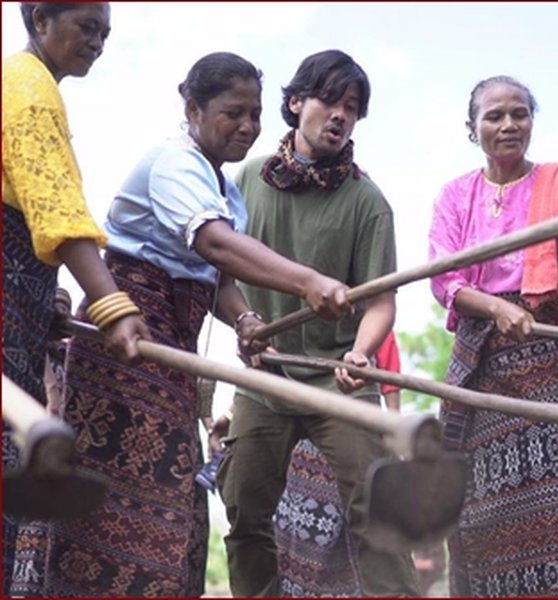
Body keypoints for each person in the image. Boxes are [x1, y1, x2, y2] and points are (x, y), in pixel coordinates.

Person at [36, 52, 352, 597]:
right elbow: (213, 244)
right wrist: (307, 282)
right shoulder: (173, 164)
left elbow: (213, 275)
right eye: (234, 113)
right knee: (121, 497)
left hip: (172, 354)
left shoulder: (223, 190)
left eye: (255, 114)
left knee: (175, 496)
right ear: (193, 108)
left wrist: (246, 319)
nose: (248, 127)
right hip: (125, 343)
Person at [211, 50, 416, 597]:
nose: (340, 115)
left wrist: (362, 353)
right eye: (329, 100)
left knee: (379, 513)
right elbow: (216, 274)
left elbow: (380, 302)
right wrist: (246, 320)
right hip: (264, 377)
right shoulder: (245, 180)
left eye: (352, 107)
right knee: (245, 516)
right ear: (296, 102)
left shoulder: (368, 202)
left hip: (336, 378)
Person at [428, 75, 558, 596]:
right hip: (483, 360)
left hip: (553, 350)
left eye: (519, 114)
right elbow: (445, 279)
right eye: (494, 116)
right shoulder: (456, 195)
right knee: (479, 508)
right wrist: (497, 307)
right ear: (472, 127)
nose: (509, 125)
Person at [1, 5, 150, 592]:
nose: (99, 43)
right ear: (40, 18)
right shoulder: (28, 90)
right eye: (87, 28)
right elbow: (57, 211)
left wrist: (46, 299)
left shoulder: (26, 86)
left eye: (106, 33)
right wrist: (112, 305)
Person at [271, 333, 405, 597]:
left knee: (361, 525)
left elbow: (390, 381)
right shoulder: (288, 328)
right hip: (303, 445)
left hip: (356, 431)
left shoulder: (368, 329)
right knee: (299, 534)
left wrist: (392, 433)